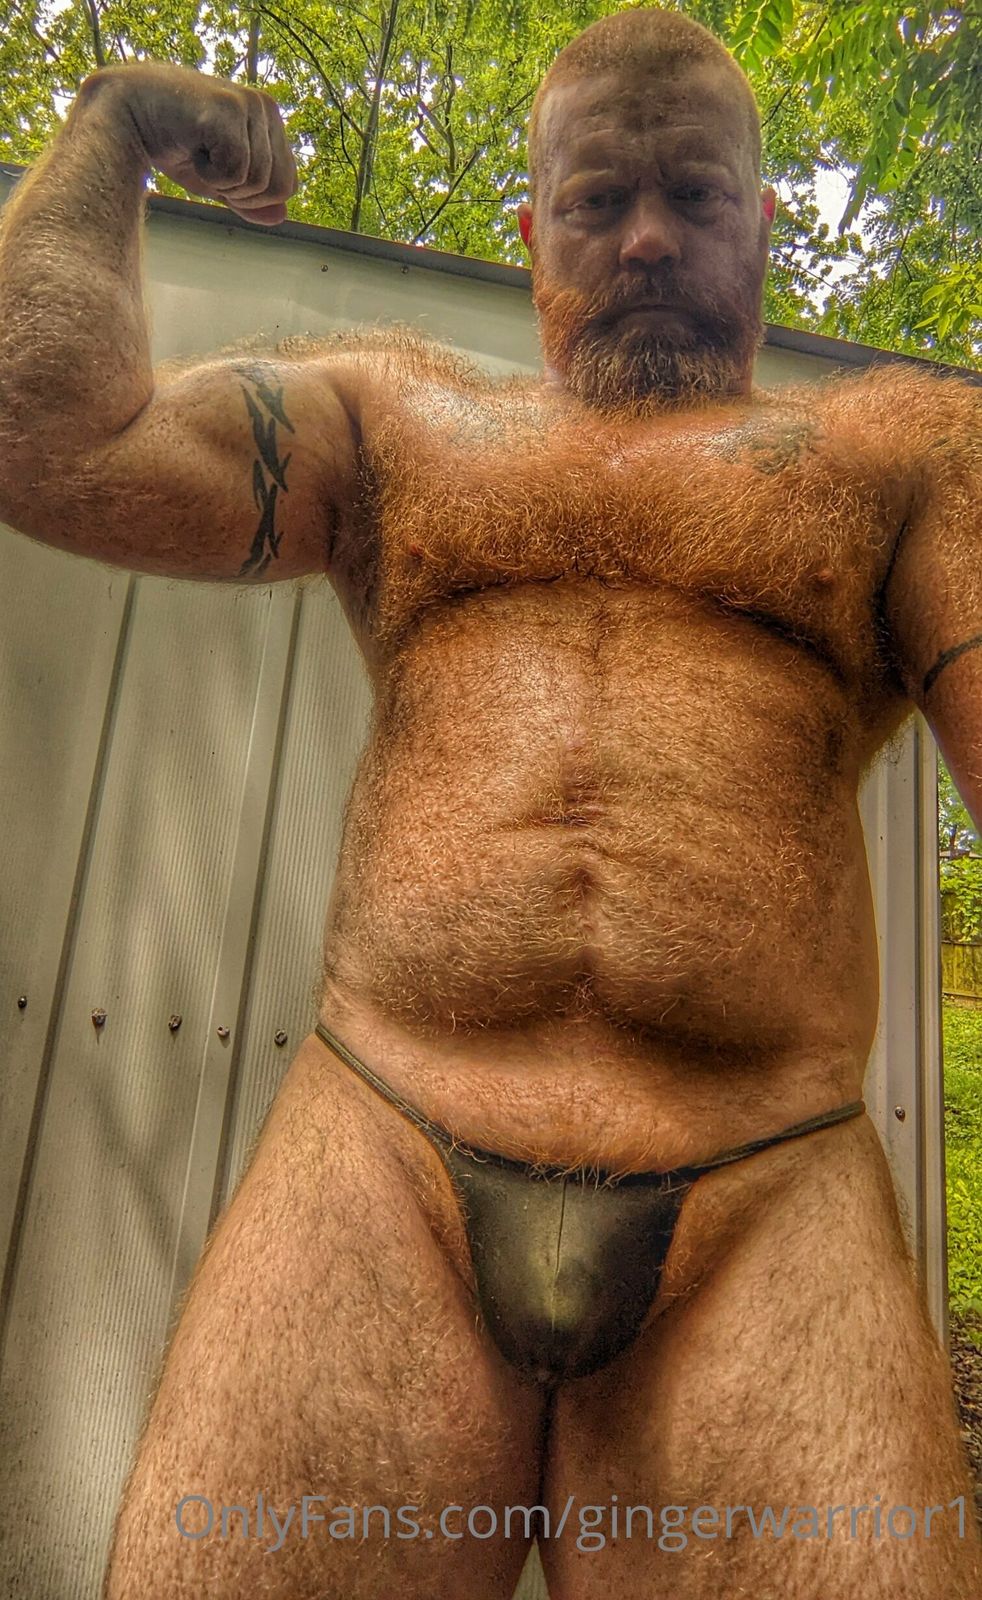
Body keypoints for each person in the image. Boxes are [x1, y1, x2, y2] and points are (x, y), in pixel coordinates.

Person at [0, 8, 979, 1598]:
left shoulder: (901, 458)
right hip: (383, 1152)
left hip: (763, 1185)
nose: (645, 238)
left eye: (692, 196)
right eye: (596, 202)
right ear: (530, 235)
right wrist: (112, 134)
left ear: (760, 221)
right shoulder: (391, 421)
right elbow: (51, 440)